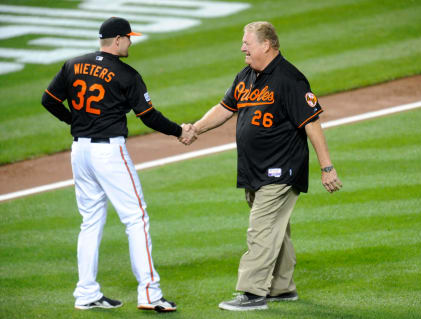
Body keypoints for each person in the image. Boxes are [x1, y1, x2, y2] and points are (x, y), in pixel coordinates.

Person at [41, 17, 196, 312]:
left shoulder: (72, 64)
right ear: (116, 40)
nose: (130, 42)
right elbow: (148, 116)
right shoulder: (126, 74)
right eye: (127, 37)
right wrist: (179, 132)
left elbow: (48, 100)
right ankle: (150, 293)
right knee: (136, 218)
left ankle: (86, 292)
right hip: (109, 154)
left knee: (90, 221)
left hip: (80, 153)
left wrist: (75, 120)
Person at [188, 21, 342, 311]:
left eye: (248, 42)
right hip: (254, 170)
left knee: (260, 229)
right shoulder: (246, 76)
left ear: (267, 45)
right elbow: (225, 107)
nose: (242, 47)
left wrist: (327, 167)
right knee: (275, 229)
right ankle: (281, 288)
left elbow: (311, 123)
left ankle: (252, 293)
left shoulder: (290, 79)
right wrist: (196, 128)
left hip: (281, 170)